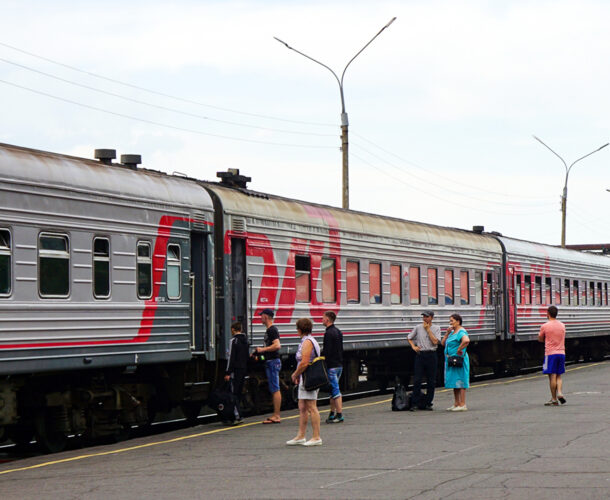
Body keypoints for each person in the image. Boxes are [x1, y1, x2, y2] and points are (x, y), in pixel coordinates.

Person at [286, 318, 322, 446]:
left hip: (308, 378)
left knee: (312, 407)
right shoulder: (307, 341)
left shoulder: (307, 342)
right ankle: (301, 436)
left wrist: (295, 374)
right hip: (304, 378)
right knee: (302, 407)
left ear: (300, 329)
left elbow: (304, 362)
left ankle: (316, 437)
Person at [407, 310, 441, 410]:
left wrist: (428, 330)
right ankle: (415, 403)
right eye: (423, 317)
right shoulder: (418, 327)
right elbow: (409, 337)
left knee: (431, 380)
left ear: (431, 318)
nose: (424, 319)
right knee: (417, 379)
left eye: (426, 317)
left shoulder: (436, 328)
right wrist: (413, 346)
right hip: (420, 355)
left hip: (431, 355)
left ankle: (428, 403)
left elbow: (435, 342)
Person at [255, 308, 282, 424]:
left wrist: (263, 349)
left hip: (273, 362)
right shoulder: (270, 330)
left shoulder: (272, 330)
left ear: (266, 317)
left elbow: (277, 345)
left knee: (275, 389)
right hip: (271, 361)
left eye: (261, 316)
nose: (260, 318)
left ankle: (276, 415)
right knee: (274, 388)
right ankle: (275, 415)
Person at [538, 305, 567, 406]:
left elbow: (540, 339)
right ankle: (560, 392)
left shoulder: (545, 326)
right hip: (561, 353)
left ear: (548, 314)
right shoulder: (562, 325)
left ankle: (554, 399)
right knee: (559, 375)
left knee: (552, 376)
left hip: (550, 354)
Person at [441, 313, 470, 411]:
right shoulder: (452, 332)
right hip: (451, 360)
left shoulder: (461, 331)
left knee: (461, 380)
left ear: (458, 321)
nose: (450, 323)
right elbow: (442, 343)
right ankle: (456, 403)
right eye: (450, 321)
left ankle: (462, 404)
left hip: (459, 360)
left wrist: (459, 349)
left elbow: (466, 341)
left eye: (452, 321)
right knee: (454, 381)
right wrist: (446, 334)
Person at [321, 311, 344, 423]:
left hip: (332, 366)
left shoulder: (328, 334)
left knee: (335, 391)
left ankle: (339, 415)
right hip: (339, 365)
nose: (322, 319)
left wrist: (321, 357)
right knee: (332, 390)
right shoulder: (338, 332)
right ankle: (332, 413)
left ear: (328, 320)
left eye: (323, 318)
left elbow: (327, 351)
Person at [224, 321, 248, 424]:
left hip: (235, 370)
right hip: (243, 370)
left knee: (233, 393)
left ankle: (237, 416)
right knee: (238, 392)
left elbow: (231, 358)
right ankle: (238, 414)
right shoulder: (245, 341)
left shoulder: (234, 341)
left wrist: (228, 372)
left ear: (233, 329)